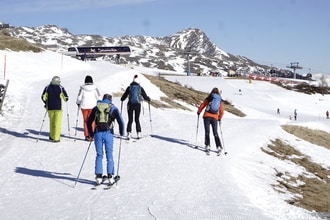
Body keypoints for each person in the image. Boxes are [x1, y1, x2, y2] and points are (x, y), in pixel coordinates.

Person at [87, 94, 125, 185]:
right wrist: (121, 133)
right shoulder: (113, 108)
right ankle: (110, 176)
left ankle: (99, 177)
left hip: (97, 133)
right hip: (108, 133)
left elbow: (89, 122)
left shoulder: (96, 108)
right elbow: (121, 122)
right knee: (109, 155)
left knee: (99, 155)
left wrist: (91, 134)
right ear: (110, 100)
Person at [120, 74, 150, 139]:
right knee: (137, 119)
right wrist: (148, 99)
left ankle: (128, 133)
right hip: (137, 105)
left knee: (130, 120)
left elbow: (124, 96)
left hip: (130, 105)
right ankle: (138, 133)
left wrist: (122, 99)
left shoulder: (129, 87)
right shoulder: (140, 88)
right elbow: (145, 97)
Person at [41, 76, 69, 142]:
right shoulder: (61, 88)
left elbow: (43, 97)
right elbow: (66, 98)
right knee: (57, 123)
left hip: (50, 108)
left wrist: (46, 102)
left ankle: (51, 136)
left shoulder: (47, 87)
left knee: (52, 122)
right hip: (58, 108)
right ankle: (56, 138)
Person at [197, 87, 224, 154]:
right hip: (215, 117)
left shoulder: (209, 98)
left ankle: (208, 145)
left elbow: (203, 105)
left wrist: (199, 111)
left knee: (207, 132)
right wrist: (219, 118)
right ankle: (219, 147)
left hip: (206, 116)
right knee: (215, 132)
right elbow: (222, 111)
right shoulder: (219, 100)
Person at [76, 75, 101, 141]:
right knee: (92, 121)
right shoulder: (95, 88)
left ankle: (87, 135)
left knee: (86, 121)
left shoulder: (82, 88)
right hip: (93, 107)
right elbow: (99, 97)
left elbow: (79, 98)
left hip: (84, 107)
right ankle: (92, 135)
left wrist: (78, 103)